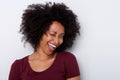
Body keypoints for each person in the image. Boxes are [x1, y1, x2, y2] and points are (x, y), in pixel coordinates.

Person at [9, 2, 80, 80]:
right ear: (39, 32)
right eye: (52, 34)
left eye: (61, 36)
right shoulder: (18, 66)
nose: (57, 41)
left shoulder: (67, 60)